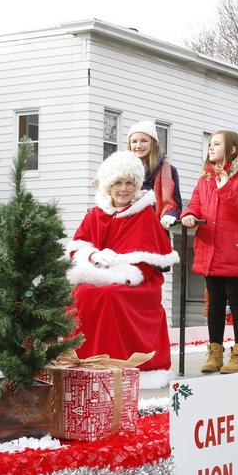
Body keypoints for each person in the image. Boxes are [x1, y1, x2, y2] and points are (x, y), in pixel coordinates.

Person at [66, 151, 178, 374]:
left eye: (129, 183)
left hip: (137, 284)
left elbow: (146, 267)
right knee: (81, 294)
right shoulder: (95, 214)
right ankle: (85, 361)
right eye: (118, 183)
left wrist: (117, 268)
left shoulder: (144, 215)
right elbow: (77, 248)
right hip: (98, 274)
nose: (124, 189)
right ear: (108, 185)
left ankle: (115, 364)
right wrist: (93, 257)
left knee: (110, 296)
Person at [180, 130, 238, 374]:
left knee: (236, 300)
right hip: (209, 248)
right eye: (210, 144)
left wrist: (226, 188)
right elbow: (195, 202)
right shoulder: (205, 178)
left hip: (234, 250)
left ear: (232, 149)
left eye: (216, 144)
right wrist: (189, 215)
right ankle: (215, 352)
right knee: (214, 301)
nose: (210, 147)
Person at [127, 121, 182, 228]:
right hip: (126, 228)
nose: (138, 145)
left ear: (152, 143)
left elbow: (176, 204)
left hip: (155, 229)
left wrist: (169, 214)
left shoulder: (170, 171)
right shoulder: (120, 170)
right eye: (134, 141)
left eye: (144, 141)